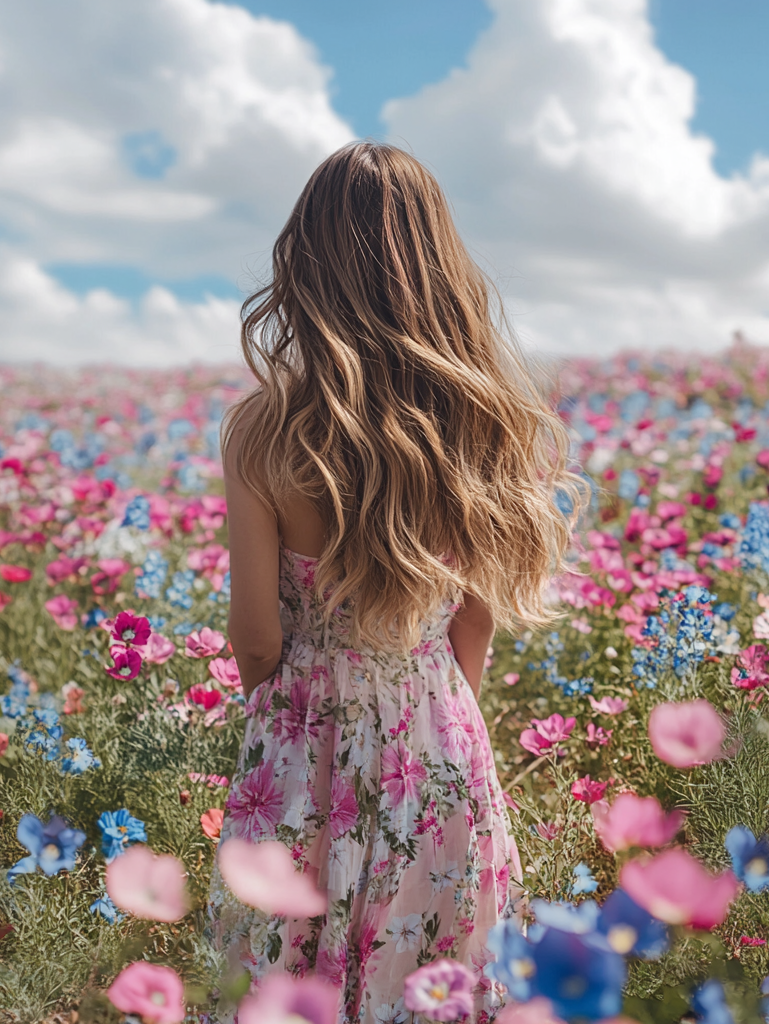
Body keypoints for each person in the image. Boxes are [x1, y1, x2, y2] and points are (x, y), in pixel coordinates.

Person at [206, 140, 580, 1023]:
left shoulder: (263, 429)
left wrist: (287, 719)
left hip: (304, 740)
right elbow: (476, 625)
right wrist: (438, 710)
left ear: (307, 260)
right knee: (436, 983)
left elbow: (256, 636)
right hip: (440, 736)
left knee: (286, 975)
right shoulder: (485, 414)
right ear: (439, 265)